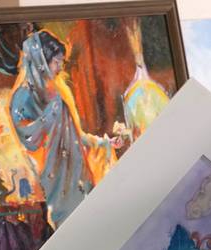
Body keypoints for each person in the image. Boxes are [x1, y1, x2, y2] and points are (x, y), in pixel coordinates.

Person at [7, 30, 126, 229]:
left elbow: (76, 135)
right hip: (52, 178)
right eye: (56, 62)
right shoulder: (22, 98)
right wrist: (51, 113)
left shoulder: (59, 90)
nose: (60, 67)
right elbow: (29, 139)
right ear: (42, 62)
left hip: (78, 173)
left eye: (61, 61)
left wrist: (105, 143)